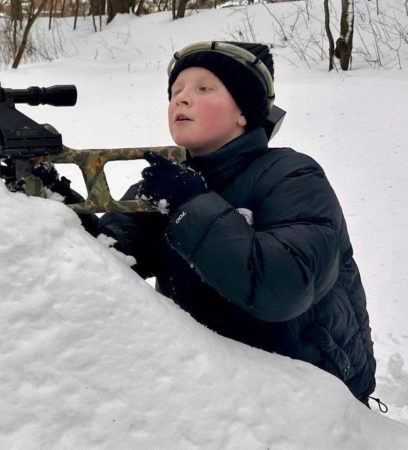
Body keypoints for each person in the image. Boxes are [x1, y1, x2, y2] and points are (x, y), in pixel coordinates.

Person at [36, 41, 376, 405]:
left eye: (203, 88)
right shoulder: (163, 187)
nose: (181, 99)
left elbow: (283, 287)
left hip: (311, 397)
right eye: (176, 91)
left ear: (243, 113)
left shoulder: (292, 175)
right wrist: (68, 210)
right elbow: (112, 266)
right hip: (213, 388)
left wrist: (191, 205)